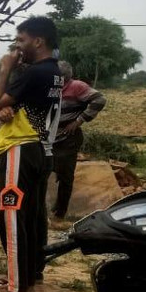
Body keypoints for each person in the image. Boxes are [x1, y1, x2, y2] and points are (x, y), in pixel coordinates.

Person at [0, 17, 63, 292]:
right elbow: (13, 107)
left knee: (12, 216)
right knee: (29, 218)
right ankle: (26, 279)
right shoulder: (53, 72)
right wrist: (8, 109)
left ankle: (18, 289)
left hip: (20, 149)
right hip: (37, 149)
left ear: (38, 41)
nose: (17, 46)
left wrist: (5, 69)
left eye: (21, 40)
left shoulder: (34, 73)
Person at [51, 61, 106, 218]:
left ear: (63, 77)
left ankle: (60, 213)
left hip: (68, 139)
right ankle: (49, 209)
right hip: (50, 139)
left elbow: (100, 100)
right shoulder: (51, 89)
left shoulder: (77, 86)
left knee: (65, 177)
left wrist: (79, 120)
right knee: (48, 171)